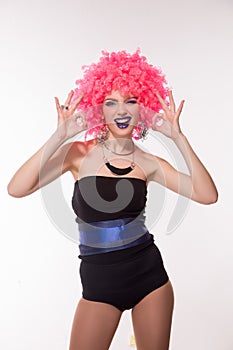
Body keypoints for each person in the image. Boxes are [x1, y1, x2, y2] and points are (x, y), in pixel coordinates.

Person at [7, 50, 218, 350]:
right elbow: (17, 188)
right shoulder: (78, 155)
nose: (122, 110)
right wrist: (60, 136)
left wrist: (178, 138)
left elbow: (207, 195)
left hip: (150, 279)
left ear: (142, 107)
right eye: (111, 102)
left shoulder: (149, 163)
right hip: (99, 285)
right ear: (99, 110)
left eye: (130, 100)